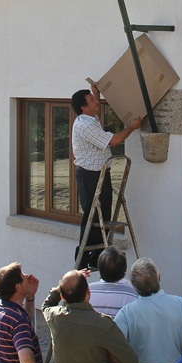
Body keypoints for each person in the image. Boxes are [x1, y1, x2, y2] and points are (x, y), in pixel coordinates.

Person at [42, 268, 139, 363]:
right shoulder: (104, 325)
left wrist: (59, 288)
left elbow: (46, 305)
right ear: (88, 292)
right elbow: (131, 361)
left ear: (63, 297)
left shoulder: (55, 317)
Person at [71, 85, 142, 268]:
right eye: (92, 100)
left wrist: (97, 92)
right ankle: (84, 259)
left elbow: (98, 112)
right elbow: (114, 140)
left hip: (100, 173)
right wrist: (132, 127)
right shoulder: (85, 125)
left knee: (105, 213)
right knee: (93, 216)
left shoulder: (90, 118)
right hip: (89, 176)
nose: (97, 102)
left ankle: (98, 255)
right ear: (84, 108)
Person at [88, 246, 138, 363]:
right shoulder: (133, 293)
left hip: (95, 358)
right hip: (121, 359)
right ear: (124, 270)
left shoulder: (88, 291)